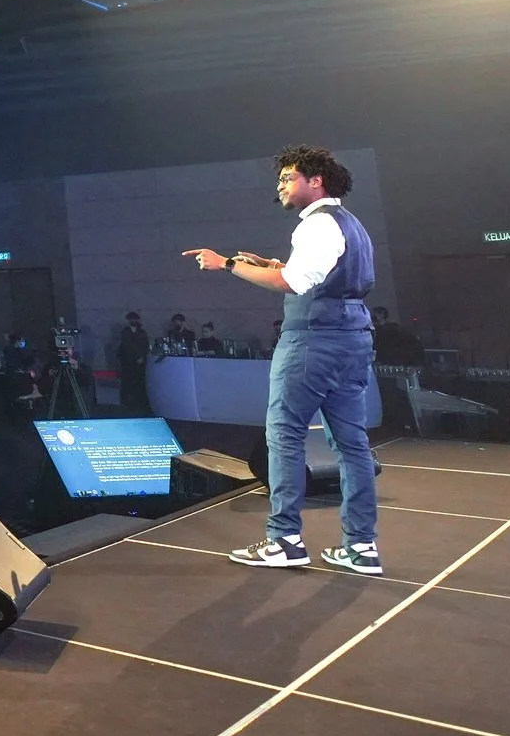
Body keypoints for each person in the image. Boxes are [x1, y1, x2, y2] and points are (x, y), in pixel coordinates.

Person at [186, 144, 383, 575]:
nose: (280, 185)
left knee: (285, 436)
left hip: (314, 342)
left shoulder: (315, 225)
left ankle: (285, 540)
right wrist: (267, 263)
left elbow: (293, 282)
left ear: (316, 180)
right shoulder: (350, 224)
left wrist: (226, 266)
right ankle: (362, 546)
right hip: (353, 339)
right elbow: (322, 275)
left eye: (288, 177)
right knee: (352, 446)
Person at [114, 311, 151, 416]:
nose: (133, 321)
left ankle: (139, 402)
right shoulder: (125, 332)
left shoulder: (142, 332)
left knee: (139, 381)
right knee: (127, 382)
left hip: (139, 362)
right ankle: (127, 403)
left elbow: (145, 346)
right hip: (127, 362)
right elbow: (125, 347)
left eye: (135, 319)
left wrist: (141, 357)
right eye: (131, 319)